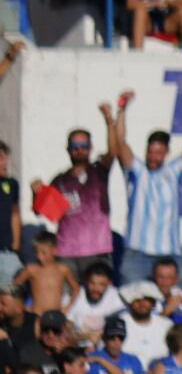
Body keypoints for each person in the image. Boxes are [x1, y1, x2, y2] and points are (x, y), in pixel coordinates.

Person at [114, 89, 182, 285]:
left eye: (158, 152)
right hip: (137, 254)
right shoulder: (136, 171)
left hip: (169, 254)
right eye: (150, 152)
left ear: (166, 152)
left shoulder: (173, 172)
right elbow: (119, 142)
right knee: (132, 303)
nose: (153, 157)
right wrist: (122, 111)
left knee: (175, 308)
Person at [42, 115, 117, 278]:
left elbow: (113, 151)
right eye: (75, 146)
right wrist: (37, 192)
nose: (79, 149)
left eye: (84, 145)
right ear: (68, 149)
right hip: (66, 252)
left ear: (90, 148)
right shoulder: (60, 180)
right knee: (68, 301)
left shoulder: (99, 171)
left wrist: (109, 121)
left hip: (97, 250)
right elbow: (48, 213)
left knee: (99, 302)